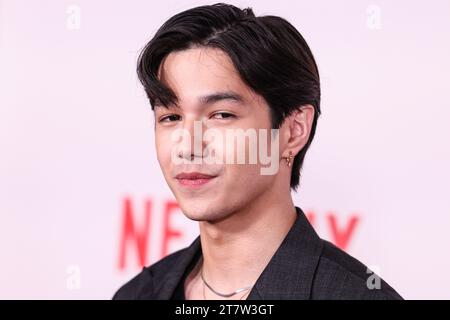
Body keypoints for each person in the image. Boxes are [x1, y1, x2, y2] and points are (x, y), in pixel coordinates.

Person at [113, 3, 402, 300]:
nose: (187, 146)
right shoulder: (137, 294)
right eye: (170, 118)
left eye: (221, 115)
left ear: (293, 130)